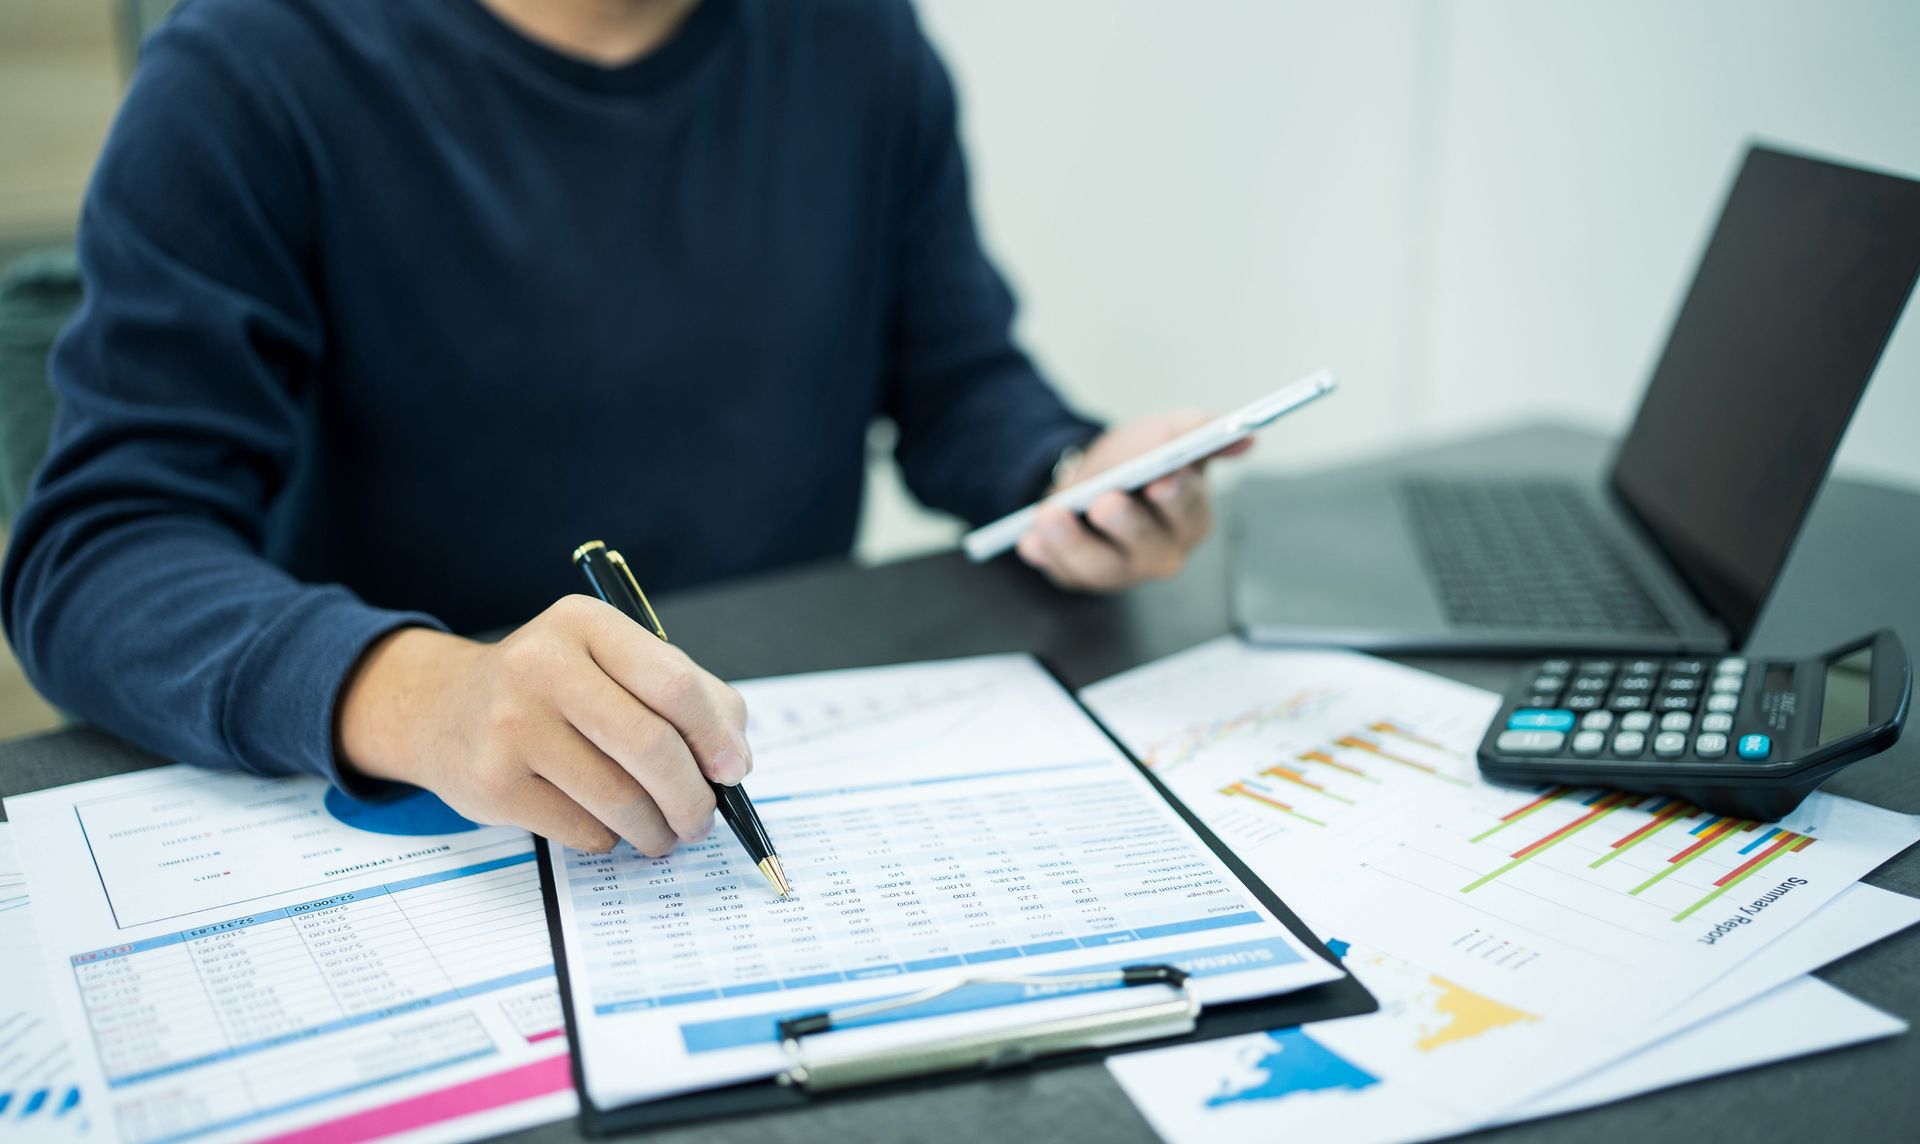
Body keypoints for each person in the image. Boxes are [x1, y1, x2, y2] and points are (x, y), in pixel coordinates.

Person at [1, 0, 1239, 857]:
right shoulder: (248, 69)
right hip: (432, 825)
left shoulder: (859, 41)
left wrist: (1067, 473)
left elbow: (959, 381)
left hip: (778, 744)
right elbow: (98, 552)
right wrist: (421, 693)